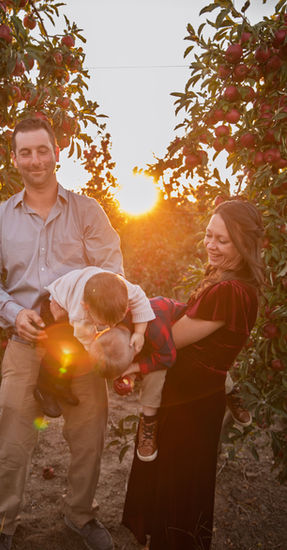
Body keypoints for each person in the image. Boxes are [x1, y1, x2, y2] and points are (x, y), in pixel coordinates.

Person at [0, 116, 124, 550]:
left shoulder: (87, 211)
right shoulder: (0, 219)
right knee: (14, 436)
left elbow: (111, 269)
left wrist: (80, 309)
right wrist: (13, 312)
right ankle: (1, 521)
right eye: (26, 152)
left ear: (58, 153)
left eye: (43, 150)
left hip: (79, 346)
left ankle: (81, 515)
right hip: (25, 343)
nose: (35, 160)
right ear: (14, 158)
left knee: (89, 433)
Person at [121, 199, 264, 550]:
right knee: (174, 491)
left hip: (190, 407)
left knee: (179, 493)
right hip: (189, 397)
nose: (211, 246)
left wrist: (134, 344)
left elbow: (175, 340)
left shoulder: (230, 292)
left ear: (244, 244)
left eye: (222, 240)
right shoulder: (227, 280)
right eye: (208, 235)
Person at [34, 267, 155, 420]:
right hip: (56, 305)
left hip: (81, 295)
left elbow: (141, 300)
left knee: (73, 353)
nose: (109, 326)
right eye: (104, 323)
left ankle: (62, 385)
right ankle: (44, 389)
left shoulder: (123, 288)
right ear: (87, 307)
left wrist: (139, 332)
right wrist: (96, 349)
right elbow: (84, 337)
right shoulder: (80, 312)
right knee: (60, 350)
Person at [89, 297, 185, 461]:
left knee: (156, 373)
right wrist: (129, 376)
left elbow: (167, 357)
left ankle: (149, 420)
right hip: (152, 341)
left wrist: (134, 368)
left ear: (135, 347)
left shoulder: (154, 327)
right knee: (145, 367)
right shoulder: (116, 322)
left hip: (178, 329)